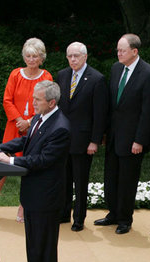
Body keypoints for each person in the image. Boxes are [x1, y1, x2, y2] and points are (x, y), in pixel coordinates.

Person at [0, 81, 70, 262]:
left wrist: (10, 161)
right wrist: (0, 147)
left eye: (37, 100)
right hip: (33, 194)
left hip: (46, 197)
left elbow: (43, 159)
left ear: (51, 102)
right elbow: (26, 141)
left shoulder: (61, 127)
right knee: (33, 241)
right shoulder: (39, 119)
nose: (32, 103)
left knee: (44, 244)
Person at [93, 34, 150, 234]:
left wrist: (140, 139)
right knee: (111, 177)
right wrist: (104, 133)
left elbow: (148, 112)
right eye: (118, 50)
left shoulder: (149, 74)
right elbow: (112, 105)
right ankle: (113, 213)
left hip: (132, 139)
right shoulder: (116, 68)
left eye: (122, 50)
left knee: (127, 180)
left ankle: (125, 218)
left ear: (134, 51)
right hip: (113, 136)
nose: (118, 53)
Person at [0, 37, 53, 222]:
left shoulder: (46, 77)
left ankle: (23, 208)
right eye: (28, 55)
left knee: (29, 167)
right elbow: (7, 100)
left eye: (35, 56)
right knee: (1, 164)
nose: (31, 59)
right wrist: (19, 120)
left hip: (35, 127)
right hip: (14, 126)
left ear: (41, 58)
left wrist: (29, 122)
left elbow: (48, 104)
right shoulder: (15, 75)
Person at [57, 42, 108, 231]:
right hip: (63, 139)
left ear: (85, 57)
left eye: (76, 56)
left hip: (84, 140)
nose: (72, 59)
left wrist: (94, 140)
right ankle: (63, 213)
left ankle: (79, 218)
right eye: (69, 56)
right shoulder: (62, 75)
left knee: (80, 181)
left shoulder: (97, 79)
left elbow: (99, 114)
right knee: (64, 179)